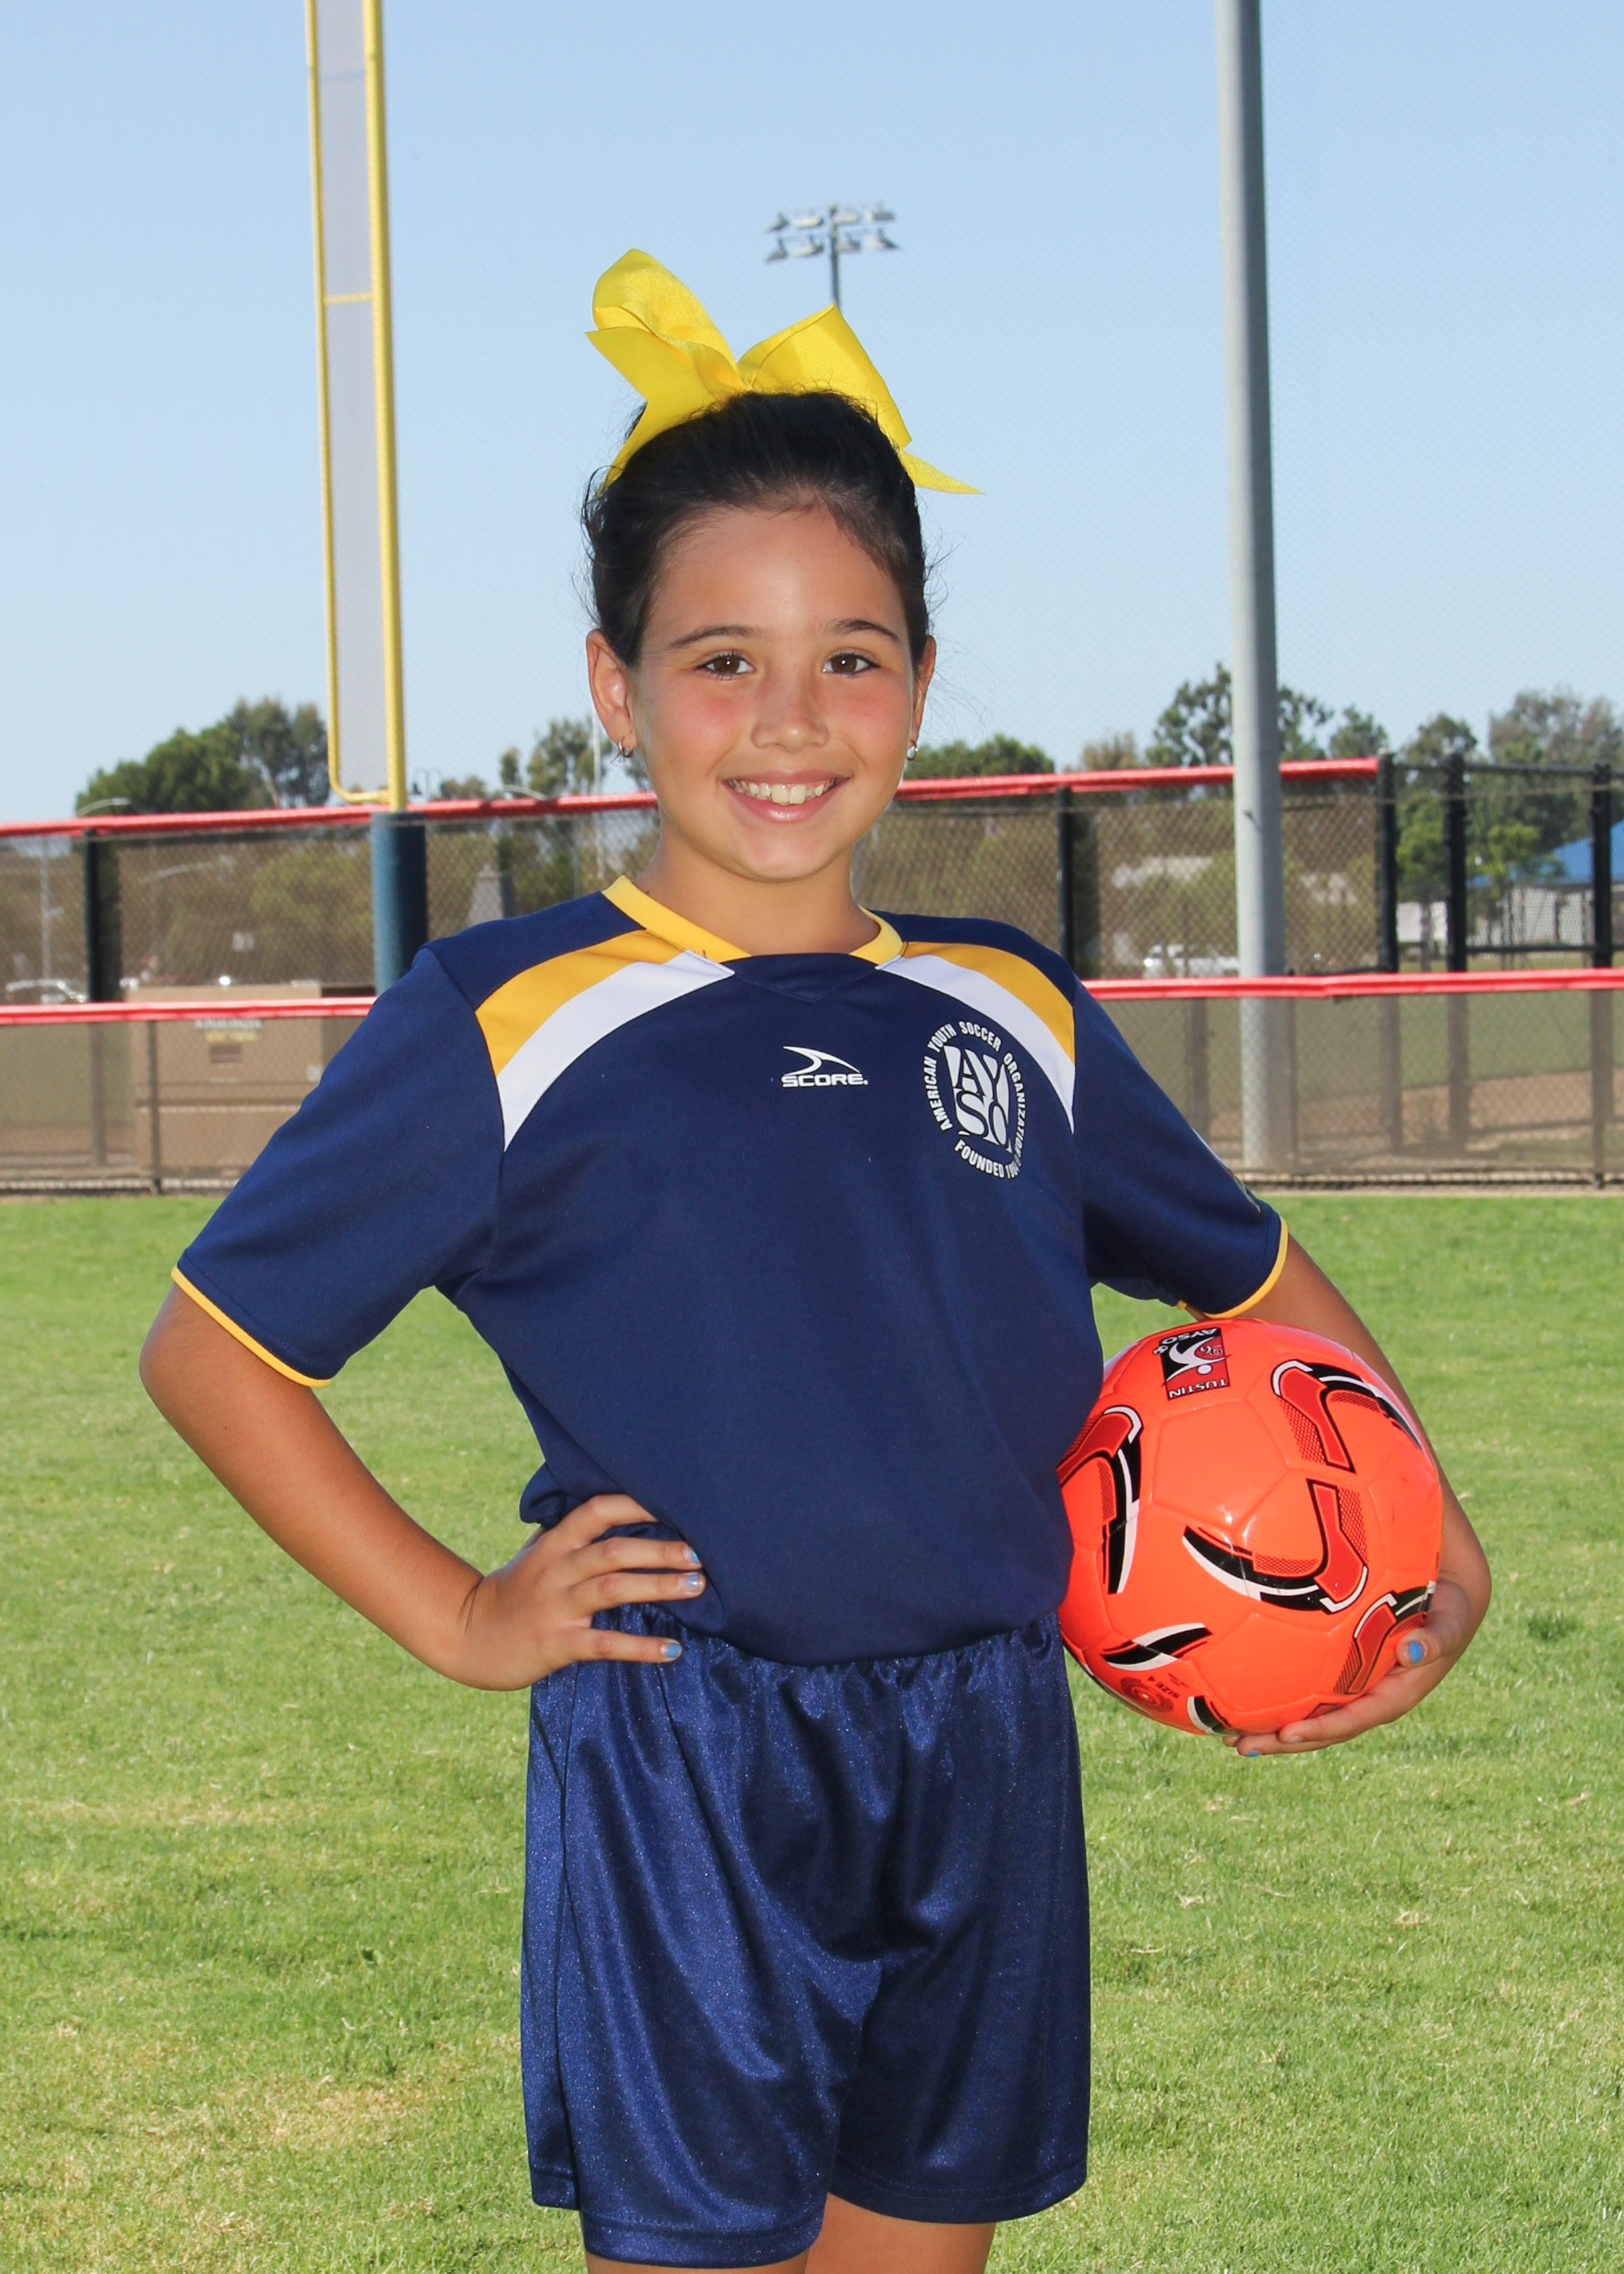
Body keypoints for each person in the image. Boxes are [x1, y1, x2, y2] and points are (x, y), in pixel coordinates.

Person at [140, 253, 1491, 2274]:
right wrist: (458, 1612)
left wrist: (1423, 1538)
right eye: (721, 660)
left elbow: (1252, 1277)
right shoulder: (506, 1017)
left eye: (849, 657)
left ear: (920, 684)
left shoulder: (1008, 1005)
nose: (789, 719)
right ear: (614, 686)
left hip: (986, 1740)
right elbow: (216, 1349)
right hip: (689, 1748)